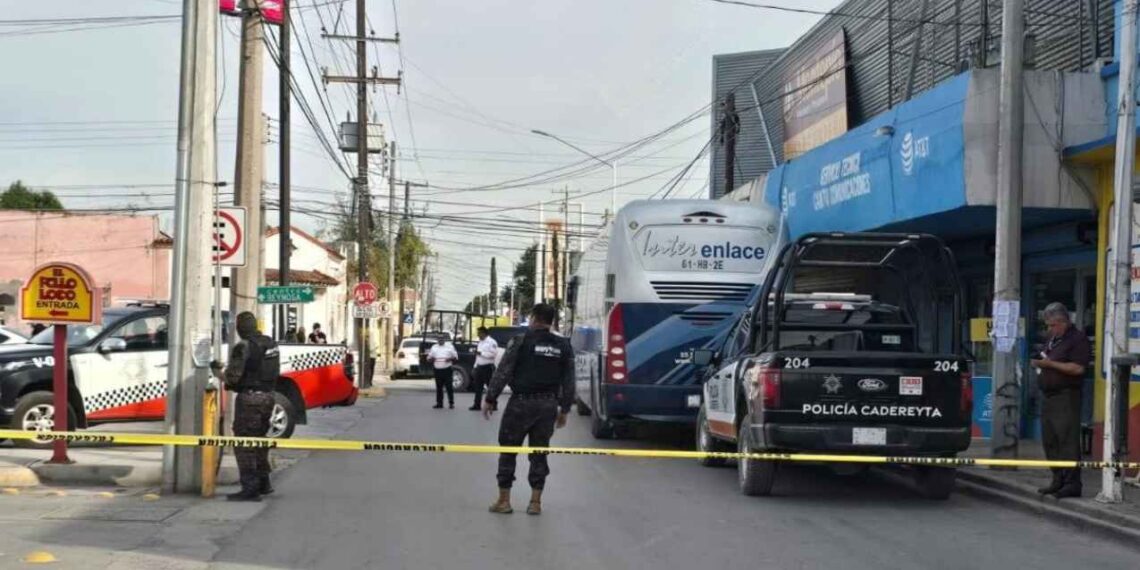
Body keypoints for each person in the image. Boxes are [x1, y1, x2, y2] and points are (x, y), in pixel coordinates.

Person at [482, 304, 574, 516]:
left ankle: (504, 501)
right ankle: (535, 503)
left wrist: (490, 398)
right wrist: (565, 410)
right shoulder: (563, 345)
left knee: (508, 450)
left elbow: (504, 371)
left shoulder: (521, 340)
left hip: (520, 404)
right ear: (551, 321)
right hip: (548, 405)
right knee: (539, 452)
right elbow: (568, 380)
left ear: (533, 318)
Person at [210, 311, 280, 502]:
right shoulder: (271, 343)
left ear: (240, 329)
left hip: (249, 399)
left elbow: (233, 378)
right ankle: (264, 483)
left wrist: (217, 371)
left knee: (244, 444)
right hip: (268, 397)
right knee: (260, 441)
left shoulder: (243, 347)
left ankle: (250, 489)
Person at [1030, 302, 1091, 499]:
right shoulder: (1053, 339)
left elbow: (1078, 368)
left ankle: (1072, 483)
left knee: (1067, 440)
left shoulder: (1077, 339)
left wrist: (1050, 364)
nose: (1049, 329)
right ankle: (1057, 479)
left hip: (1066, 396)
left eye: (1052, 325)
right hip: (1048, 396)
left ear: (1063, 322)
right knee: (1050, 441)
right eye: (1047, 325)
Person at [470, 327, 500, 411]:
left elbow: (493, 355)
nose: (478, 335)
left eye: (479, 333)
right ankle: (477, 405)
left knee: (490, 387)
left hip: (487, 368)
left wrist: (481, 353)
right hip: (479, 367)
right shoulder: (480, 342)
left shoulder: (491, 342)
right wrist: (475, 367)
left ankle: (494, 404)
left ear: (484, 333)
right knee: (478, 387)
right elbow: (477, 356)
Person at [428, 338, 459, 409]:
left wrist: (450, 359)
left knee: (449, 387)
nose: (440, 340)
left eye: (442, 339)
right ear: (437, 340)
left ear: (444, 339)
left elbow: (456, 357)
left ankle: (451, 403)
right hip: (437, 369)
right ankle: (439, 403)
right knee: (439, 387)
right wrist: (431, 359)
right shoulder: (434, 347)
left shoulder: (449, 347)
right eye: (439, 339)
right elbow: (429, 358)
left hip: (447, 369)